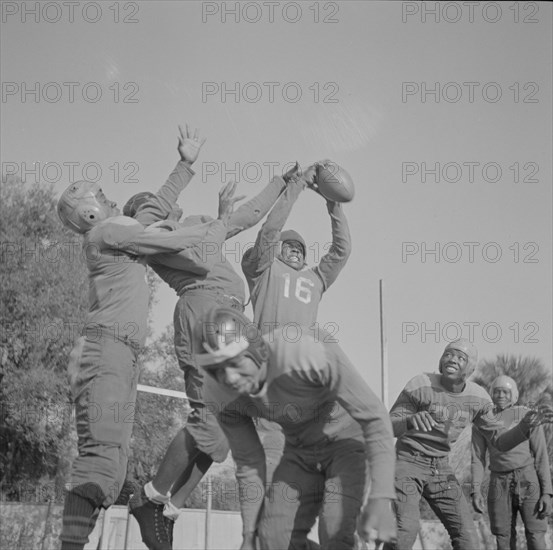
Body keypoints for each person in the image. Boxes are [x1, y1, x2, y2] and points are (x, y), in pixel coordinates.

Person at [56, 134, 239, 550]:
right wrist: (219, 220)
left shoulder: (116, 230)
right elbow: (170, 238)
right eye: (101, 195)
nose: (110, 198)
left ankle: (132, 503)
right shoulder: (108, 231)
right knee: (101, 462)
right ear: (87, 211)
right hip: (105, 352)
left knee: (114, 468)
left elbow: (154, 211)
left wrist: (185, 166)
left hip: (117, 354)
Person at [126, 144, 302, 550]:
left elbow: (249, 215)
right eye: (150, 207)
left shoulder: (198, 224)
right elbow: (207, 250)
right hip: (205, 314)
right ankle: (149, 496)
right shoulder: (154, 238)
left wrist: (283, 181)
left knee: (225, 431)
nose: (163, 207)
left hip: (230, 318)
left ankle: (169, 508)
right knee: (210, 419)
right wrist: (221, 219)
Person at [194, 306, 397, 550]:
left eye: (234, 362)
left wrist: (382, 498)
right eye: (216, 370)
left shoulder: (305, 349)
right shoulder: (217, 392)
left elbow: (374, 416)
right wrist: (249, 535)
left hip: (346, 444)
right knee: (271, 541)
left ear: (255, 350)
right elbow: (249, 462)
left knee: (334, 533)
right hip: (299, 452)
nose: (229, 378)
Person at [241, 161, 351, 484]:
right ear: (277, 251)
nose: (294, 250)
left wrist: (334, 205)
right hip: (270, 366)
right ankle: (267, 520)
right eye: (288, 246)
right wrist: (297, 186)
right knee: (273, 445)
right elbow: (269, 231)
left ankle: (296, 525)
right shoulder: (263, 271)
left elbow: (342, 251)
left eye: (300, 248)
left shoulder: (315, 279)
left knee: (312, 451)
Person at [386, 339, 553, 550]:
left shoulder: (478, 398)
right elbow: (389, 425)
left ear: (470, 368)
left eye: (460, 357)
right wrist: (409, 421)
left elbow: (499, 442)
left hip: (440, 467)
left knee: (467, 537)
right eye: (448, 354)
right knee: (406, 529)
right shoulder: (421, 384)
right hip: (408, 461)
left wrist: (525, 427)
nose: (452, 359)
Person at [471, 375, 552, 550]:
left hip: (526, 478)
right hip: (499, 481)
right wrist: (475, 490)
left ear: (514, 395)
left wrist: (547, 493)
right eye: (497, 391)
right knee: (503, 535)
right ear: (491, 394)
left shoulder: (527, 415)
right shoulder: (482, 421)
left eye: (506, 392)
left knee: (535, 532)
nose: (501, 395)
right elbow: (477, 458)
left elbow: (540, 456)